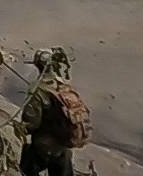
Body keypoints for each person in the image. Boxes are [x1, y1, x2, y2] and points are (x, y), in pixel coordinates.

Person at [16, 47, 89, 176]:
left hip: (43, 147)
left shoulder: (37, 90)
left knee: (25, 169)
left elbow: (32, 123)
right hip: (63, 146)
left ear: (38, 66)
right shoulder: (63, 85)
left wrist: (19, 128)